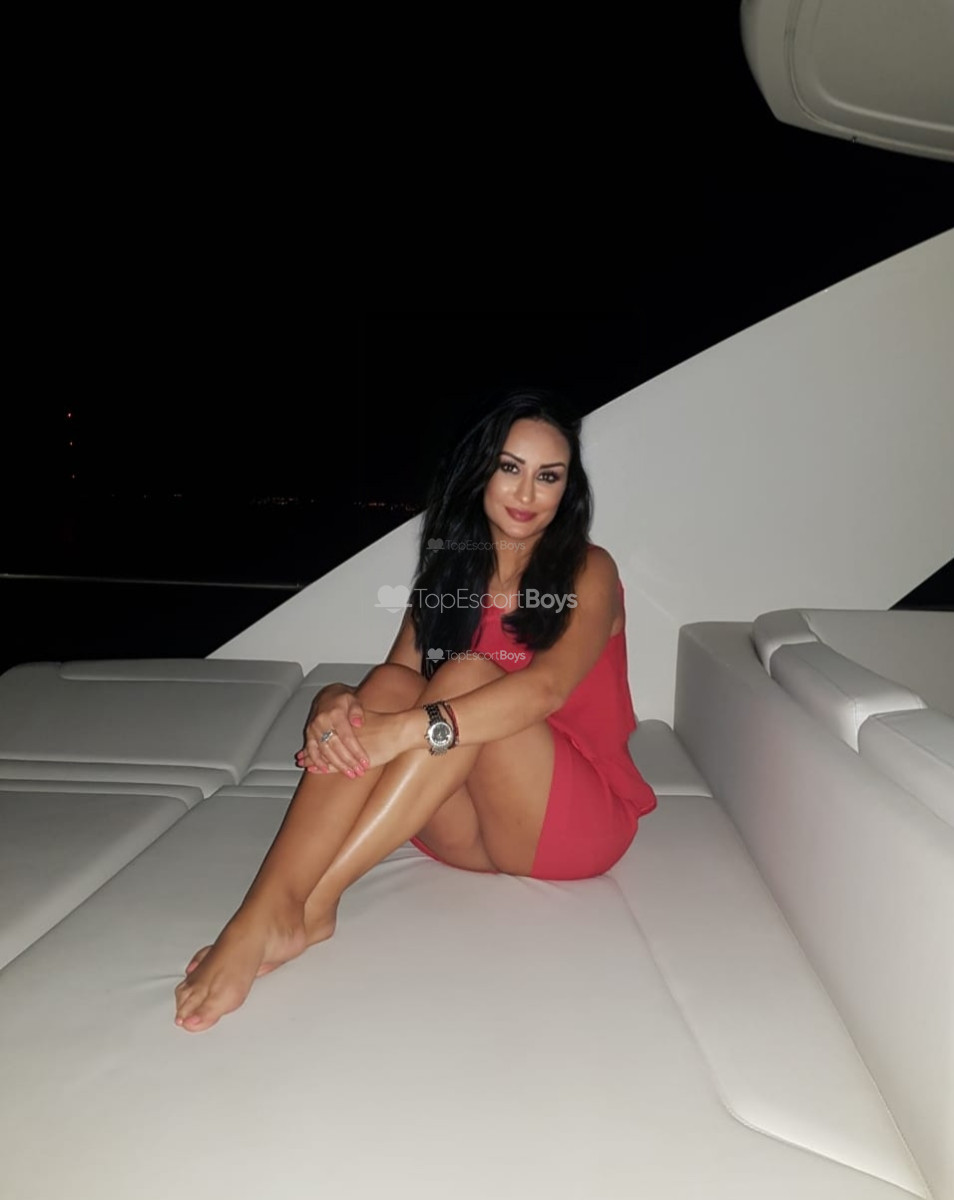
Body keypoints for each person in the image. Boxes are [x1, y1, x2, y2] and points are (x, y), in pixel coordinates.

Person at [174, 388, 658, 1032]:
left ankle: (302, 907)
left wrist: (401, 732)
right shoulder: (449, 575)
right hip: (461, 829)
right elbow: (396, 684)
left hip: (572, 823)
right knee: (383, 687)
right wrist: (332, 700)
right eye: (510, 467)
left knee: (464, 673)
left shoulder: (588, 571)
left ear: (568, 490)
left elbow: (545, 690)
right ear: (479, 470)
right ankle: (271, 905)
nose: (527, 492)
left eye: (549, 476)